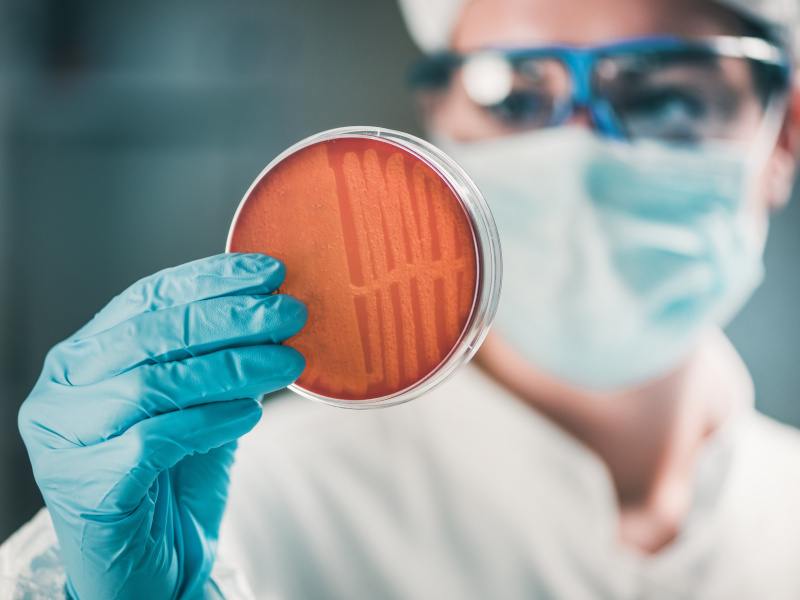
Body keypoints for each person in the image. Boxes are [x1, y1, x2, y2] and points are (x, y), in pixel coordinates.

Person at [3, 0, 800, 598]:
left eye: (663, 99)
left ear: (785, 134)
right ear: (436, 129)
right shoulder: (253, 505)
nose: (578, 151)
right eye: (514, 97)